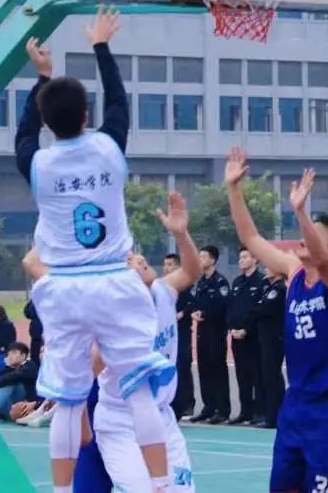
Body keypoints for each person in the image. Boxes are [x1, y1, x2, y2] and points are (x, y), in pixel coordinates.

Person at [15, 6, 174, 493]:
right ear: (87, 116)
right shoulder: (109, 148)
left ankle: (61, 491)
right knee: (138, 389)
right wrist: (101, 45)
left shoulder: (38, 165)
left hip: (63, 286)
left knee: (67, 400)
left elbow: (24, 134)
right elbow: (120, 103)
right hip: (114, 278)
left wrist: (41, 78)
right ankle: (161, 484)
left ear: (47, 120)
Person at [226, 154, 328, 493]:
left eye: (314, 232)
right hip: (295, 407)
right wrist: (233, 189)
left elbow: (324, 264)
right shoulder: (294, 272)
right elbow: (251, 238)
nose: (303, 237)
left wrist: (300, 212)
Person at [91, 190, 203, 491]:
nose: (139, 259)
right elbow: (92, 367)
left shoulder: (163, 290)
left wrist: (181, 234)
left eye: (136, 255)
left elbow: (192, 271)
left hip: (162, 417)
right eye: (129, 260)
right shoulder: (111, 314)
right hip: (120, 422)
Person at [188, 246, 230, 424]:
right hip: (202, 331)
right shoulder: (201, 282)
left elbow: (222, 306)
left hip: (216, 330)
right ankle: (208, 406)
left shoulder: (220, 282)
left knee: (217, 369)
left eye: (204, 257)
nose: (200, 260)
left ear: (213, 260)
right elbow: (195, 302)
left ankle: (222, 409)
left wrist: (204, 314)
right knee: (203, 368)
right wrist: (194, 312)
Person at [226, 247, 264, 425]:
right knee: (242, 375)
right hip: (236, 335)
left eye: (245, 256)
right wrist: (232, 328)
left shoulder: (261, 281)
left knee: (257, 375)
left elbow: (258, 310)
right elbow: (231, 307)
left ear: (255, 259)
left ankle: (259, 411)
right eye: (240, 257)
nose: (241, 260)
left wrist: (246, 330)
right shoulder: (237, 282)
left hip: (253, 336)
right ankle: (245, 411)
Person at [253, 261, 286, 429]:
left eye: (270, 265)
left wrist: (258, 307)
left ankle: (274, 416)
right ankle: (268, 413)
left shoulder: (279, 288)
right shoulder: (266, 286)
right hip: (264, 336)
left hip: (274, 337)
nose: (266, 268)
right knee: (266, 375)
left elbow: (265, 309)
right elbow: (256, 305)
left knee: (272, 375)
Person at [0, 341, 38, 421]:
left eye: (14, 353)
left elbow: (14, 376)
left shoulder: (30, 366)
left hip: (23, 405)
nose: (10, 356)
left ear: (23, 356)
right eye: (9, 354)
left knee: (9, 381)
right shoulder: (11, 368)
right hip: (8, 404)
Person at [167, 253, 195, 420]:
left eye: (170, 264)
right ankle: (173, 404)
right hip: (169, 334)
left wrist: (182, 313)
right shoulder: (163, 288)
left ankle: (187, 405)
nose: (167, 268)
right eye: (165, 264)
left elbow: (194, 304)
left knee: (183, 367)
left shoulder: (185, 286)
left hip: (182, 332)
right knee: (171, 367)